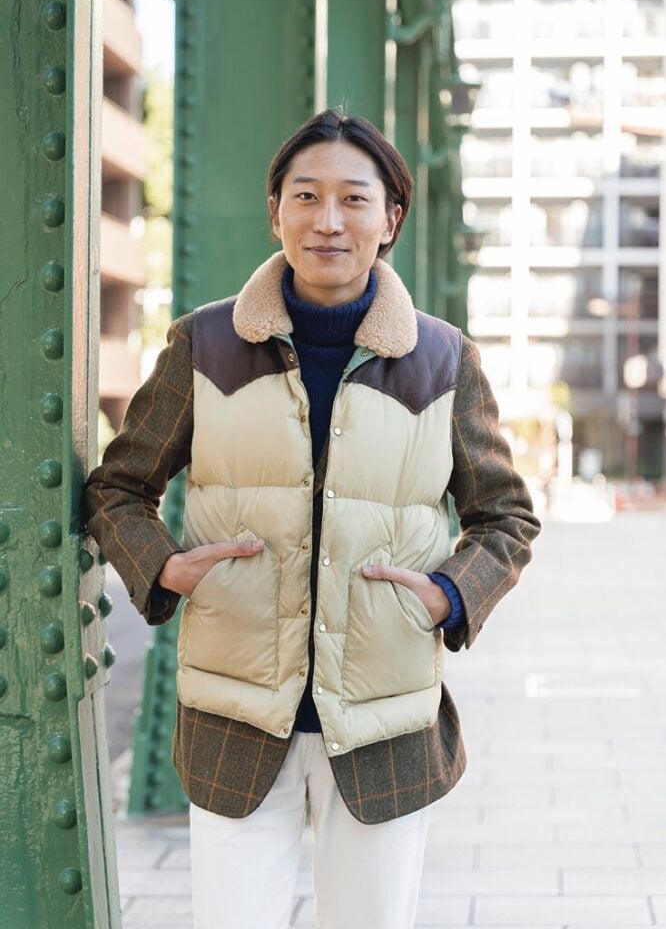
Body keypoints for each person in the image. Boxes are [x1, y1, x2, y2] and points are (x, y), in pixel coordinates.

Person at [86, 108, 541, 929]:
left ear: (390, 218)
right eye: (305, 196)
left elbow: (505, 516)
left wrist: (446, 595)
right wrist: (163, 567)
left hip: (384, 720)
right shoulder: (205, 345)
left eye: (353, 199)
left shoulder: (443, 360)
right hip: (233, 714)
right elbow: (118, 486)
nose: (328, 220)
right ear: (275, 212)